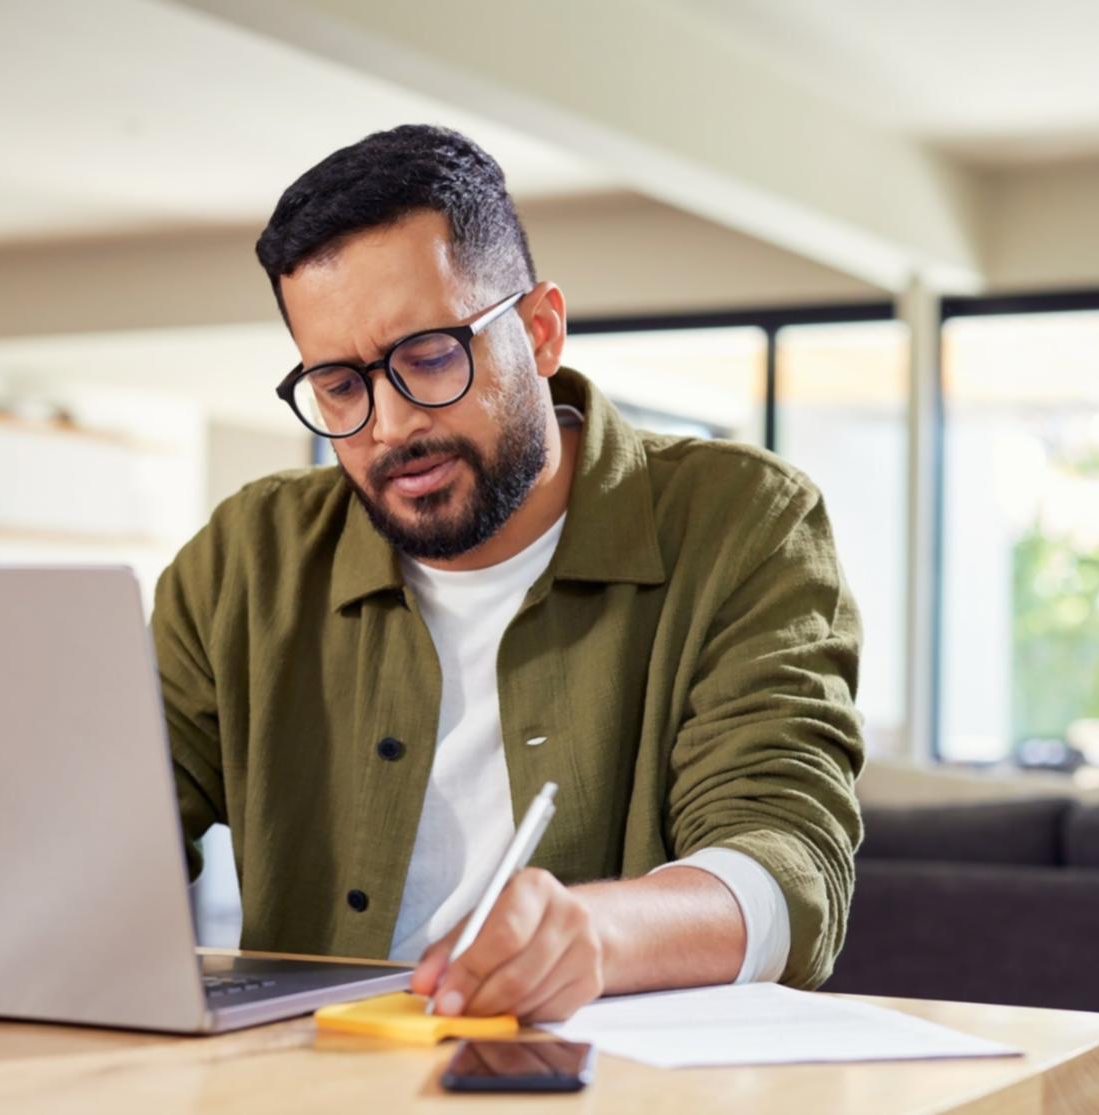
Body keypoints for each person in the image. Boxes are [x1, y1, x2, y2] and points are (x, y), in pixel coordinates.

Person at [153, 124, 864, 1024]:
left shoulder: (742, 522)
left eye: (429, 357)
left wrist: (597, 935)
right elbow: (110, 835)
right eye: (339, 384)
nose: (389, 426)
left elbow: (787, 858)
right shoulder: (245, 557)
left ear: (539, 331)